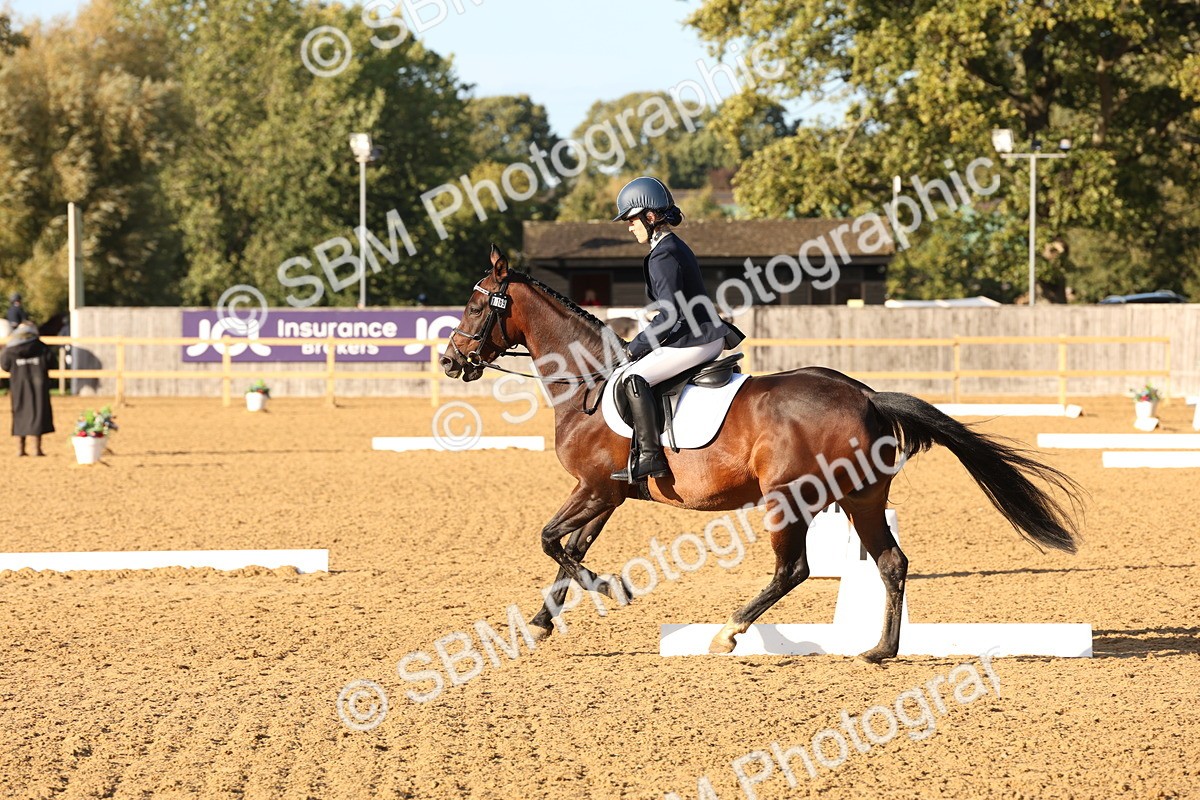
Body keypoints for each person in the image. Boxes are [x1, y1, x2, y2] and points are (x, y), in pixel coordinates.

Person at [610, 176, 745, 483]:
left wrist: (636, 346)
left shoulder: (663, 254)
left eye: (631, 220)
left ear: (651, 216)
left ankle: (649, 457)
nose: (629, 227)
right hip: (698, 333)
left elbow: (670, 316)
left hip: (697, 338)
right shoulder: (669, 247)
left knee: (634, 376)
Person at [1, 321, 55, 456]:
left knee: (19, 412)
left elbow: (5, 366)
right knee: (39, 413)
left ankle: (21, 448)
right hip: (39, 385)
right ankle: (37, 448)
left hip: (19, 385)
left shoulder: (10, 350)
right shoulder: (41, 347)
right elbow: (52, 362)